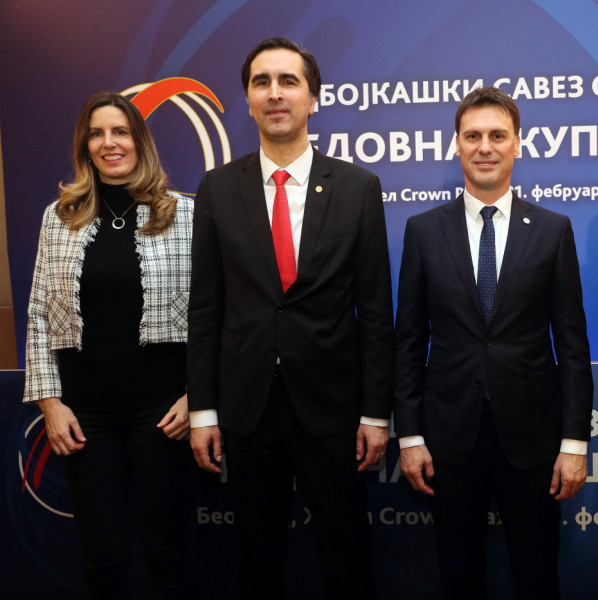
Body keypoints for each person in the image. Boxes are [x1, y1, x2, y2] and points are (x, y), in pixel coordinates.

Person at [187, 37, 392, 598]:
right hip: (247, 408)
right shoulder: (217, 189)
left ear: (313, 98)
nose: (275, 93)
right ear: (248, 101)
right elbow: (205, 309)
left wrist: (376, 412)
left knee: (347, 557)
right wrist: (203, 411)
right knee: (256, 560)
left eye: (288, 81)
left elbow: (376, 311)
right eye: (262, 82)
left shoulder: (358, 188)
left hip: (333, 407)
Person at [393, 86, 593, 600]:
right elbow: (409, 341)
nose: (485, 147)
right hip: (448, 437)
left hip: (532, 437)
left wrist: (574, 444)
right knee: (458, 574)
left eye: (498, 135)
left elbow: (572, 345)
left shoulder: (552, 230)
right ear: (457, 145)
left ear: (517, 144)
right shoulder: (423, 230)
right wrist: (409, 437)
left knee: (536, 574)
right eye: (473, 136)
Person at [23, 91, 194, 598]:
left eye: (120, 131)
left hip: (164, 411)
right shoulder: (59, 216)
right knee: (102, 556)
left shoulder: (184, 213)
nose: (109, 143)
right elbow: (38, 313)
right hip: (84, 416)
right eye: (96, 134)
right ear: (85, 146)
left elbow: (216, 313)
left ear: (140, 140)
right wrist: (50, 402)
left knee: (169, 552)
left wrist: (199, 396)